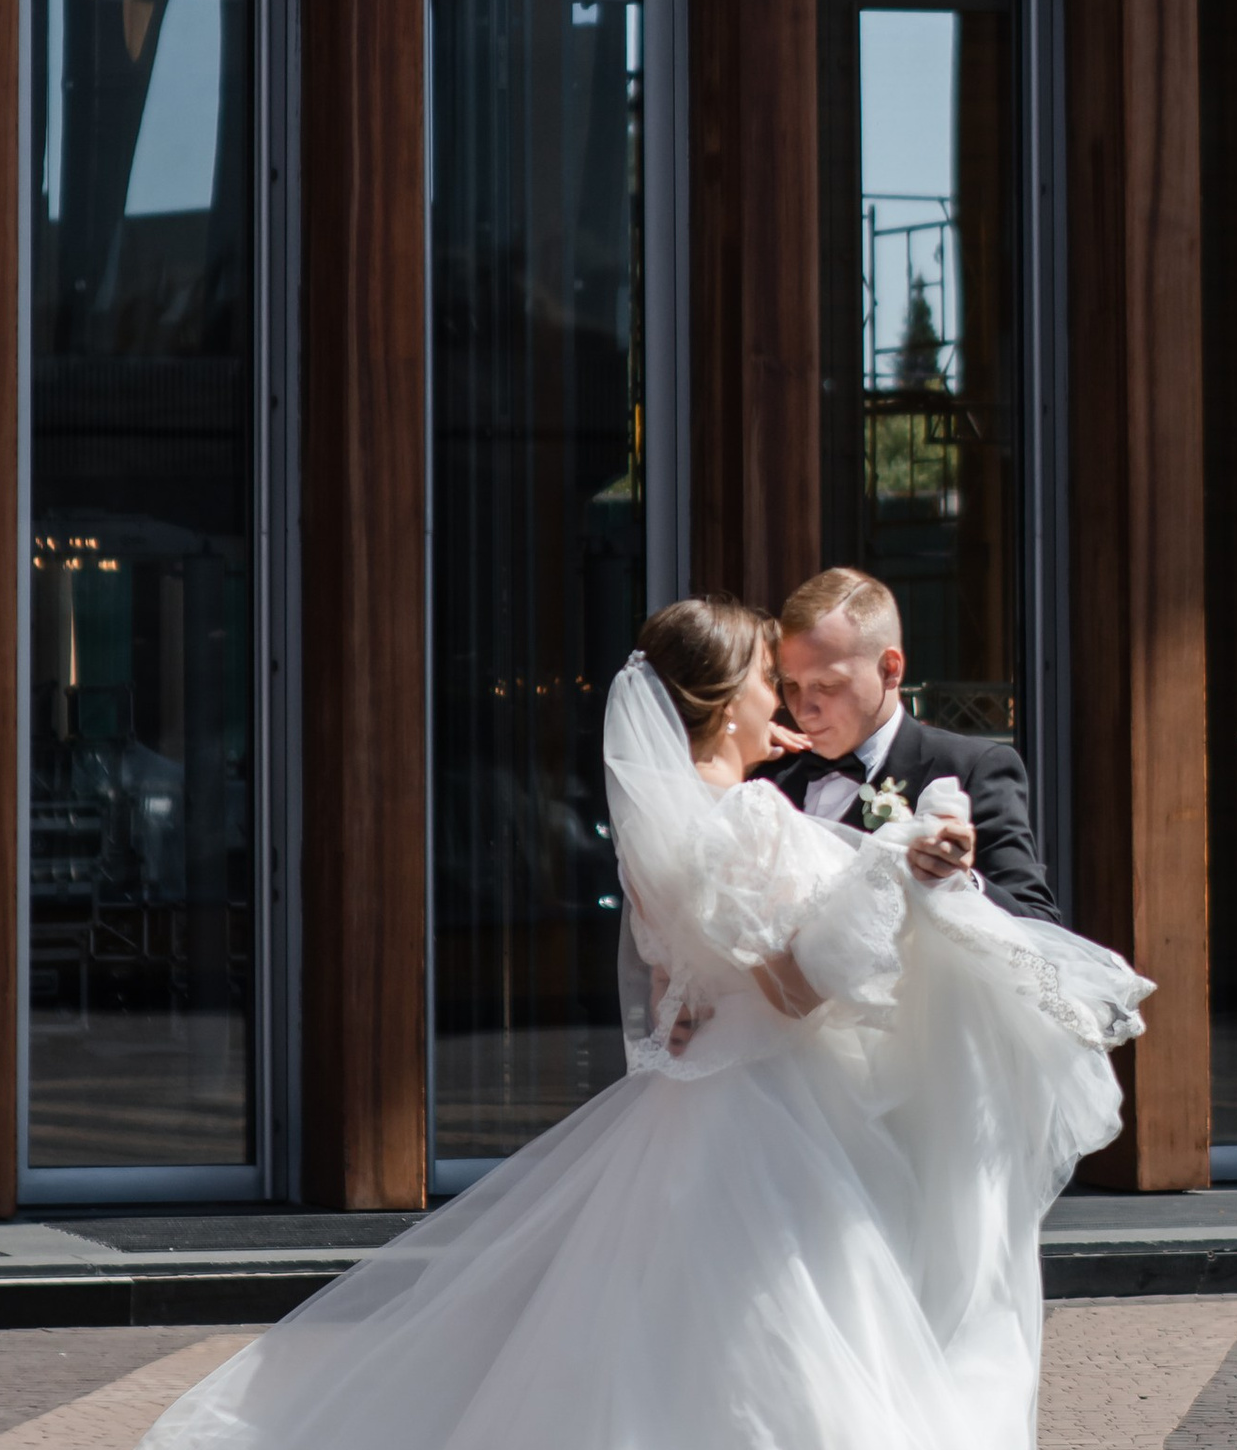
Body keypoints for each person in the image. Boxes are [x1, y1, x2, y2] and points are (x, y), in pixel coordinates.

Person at [138, 598, 1148, 1450]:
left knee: (662, 1339)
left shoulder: (674, 827)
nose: (785, 703)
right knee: (794, 1337)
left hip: (691, 1102)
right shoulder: (752, 816)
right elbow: (795, 992)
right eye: (768, 680)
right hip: (774, 1116)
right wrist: (889, 866)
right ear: (722, 699)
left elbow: (699, 984)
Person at [761, 566, 1060, 923]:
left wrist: (962, 881)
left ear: (890, 669)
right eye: (791, 685)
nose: (803, 710)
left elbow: (1040, 924)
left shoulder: (971, 768)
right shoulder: (765, 773)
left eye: (827, 685)